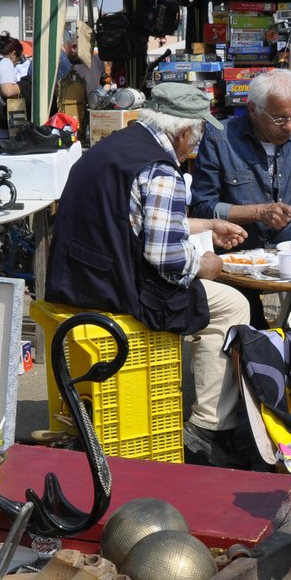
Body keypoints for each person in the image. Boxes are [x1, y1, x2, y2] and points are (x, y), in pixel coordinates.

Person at [44, 82, 251, 467]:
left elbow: (134, 218)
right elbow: (167, 258)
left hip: (74, 280)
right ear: (183, 129)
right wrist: (206, 265)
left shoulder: (111, 148)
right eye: (199, 134)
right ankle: (209, 427)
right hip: (118, 291)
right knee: (234, 304)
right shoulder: (162, 168)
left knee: (211, 292)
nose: (198, 145)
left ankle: (208, 420)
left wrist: (205, 223)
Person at [190, 69, 291, 251]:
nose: (289, 126)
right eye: (279, 118)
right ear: (253, 109)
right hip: (238, 254)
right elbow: (202, 208)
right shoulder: (220, 139)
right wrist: (259, 212)